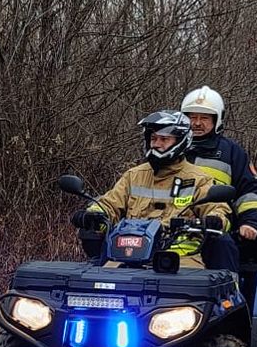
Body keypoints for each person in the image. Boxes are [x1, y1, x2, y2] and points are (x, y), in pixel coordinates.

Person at [81, 110, 233, 268]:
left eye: (164, 139)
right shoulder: (134, 175)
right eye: (153, 138)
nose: (157, 144)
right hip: (128, 256)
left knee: (190, 282)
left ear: (181, 140)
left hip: (178, 260)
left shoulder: (199, 179)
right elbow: (109, 204)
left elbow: (218, 209)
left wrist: (215, 219)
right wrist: (93, 214)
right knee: (103, 278)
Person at [179, 86, 257, 245]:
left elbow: (250, 192)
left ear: (217, 120)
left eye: (204, 118)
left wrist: (251, 222)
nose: (197, 123)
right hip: (170, 225)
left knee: (224, 246)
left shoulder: (232, 151)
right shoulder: (171, 148)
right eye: (192, 117)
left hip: (215, 226)